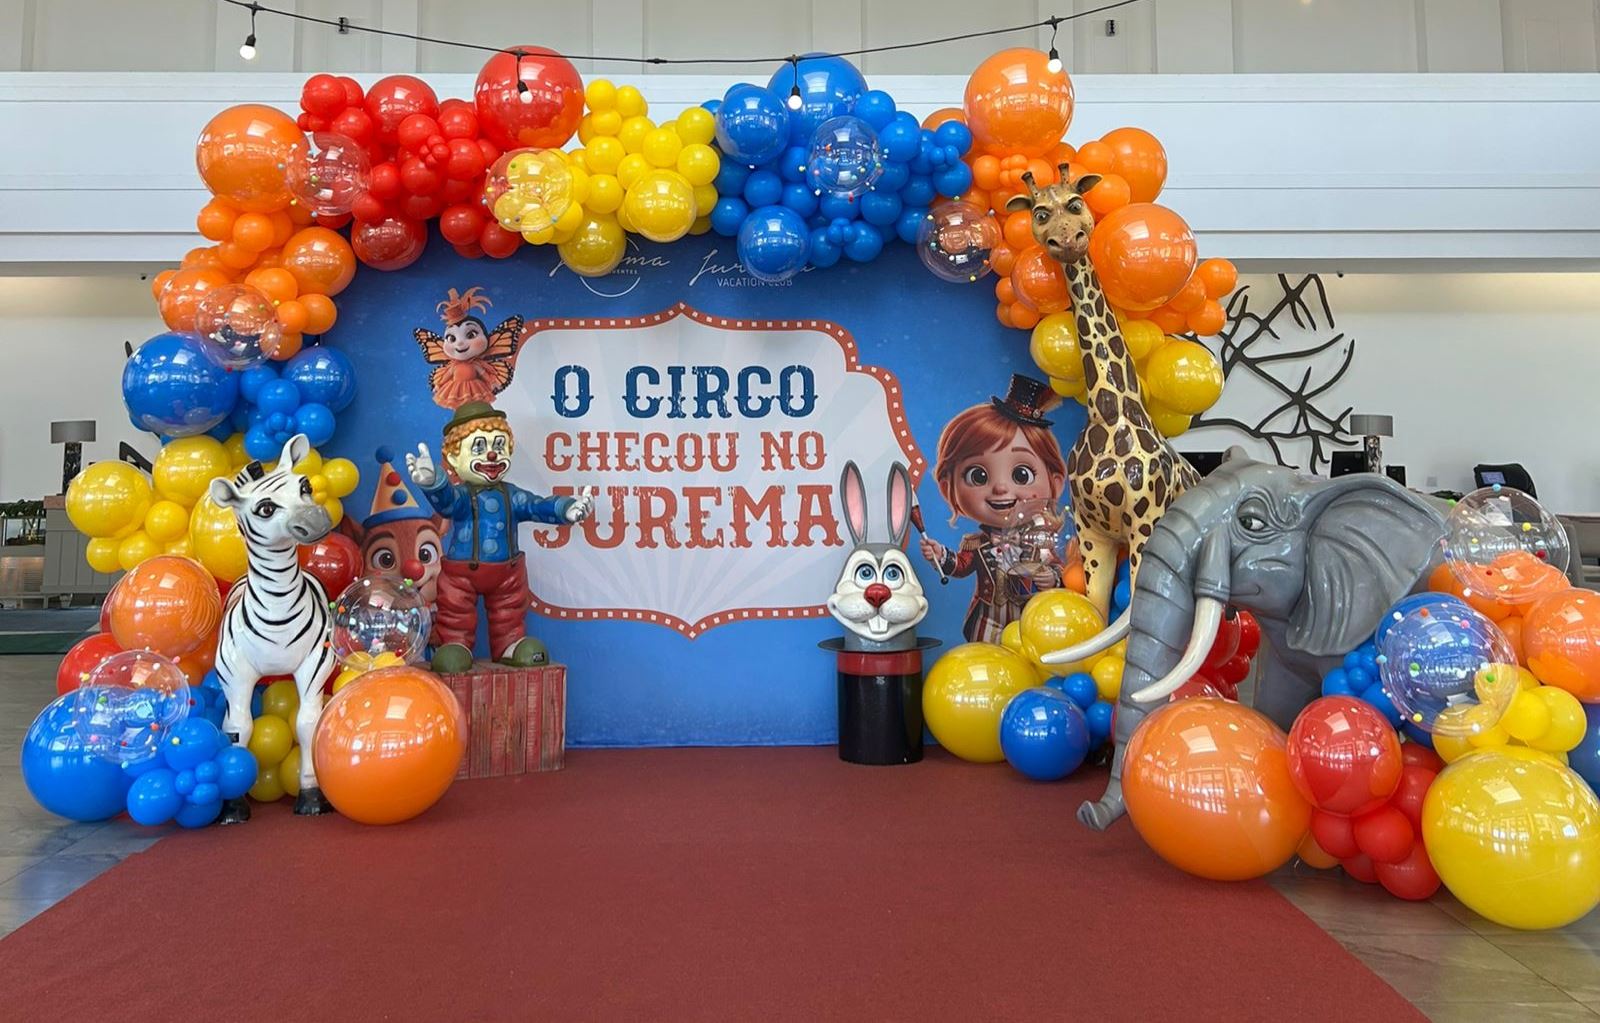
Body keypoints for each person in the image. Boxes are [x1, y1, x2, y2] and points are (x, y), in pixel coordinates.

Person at [405, 402, 594, 673]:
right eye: (479, 447)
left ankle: (510, 645)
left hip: (508, 574)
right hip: (461, 575)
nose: (492, 454)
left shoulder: (513, 495)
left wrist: (567, 509)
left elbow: (538, 505)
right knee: (456, 612)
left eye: (500, 446)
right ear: (454, 459)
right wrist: (433, 483)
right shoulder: (462, 496)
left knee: (510, 613)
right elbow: (446, 503)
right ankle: (455, 644)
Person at [920, 375, 1076, 644]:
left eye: (1022, 474)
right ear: (948, 486)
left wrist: (1050, 578)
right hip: (987, 622)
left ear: (1055, 483)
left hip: (1033, 623)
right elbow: (960, 566)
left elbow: (1061, 570)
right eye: (978, 476)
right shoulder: (976, 543)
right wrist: (940, 555)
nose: (1001, 487)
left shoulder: (1042, 539)